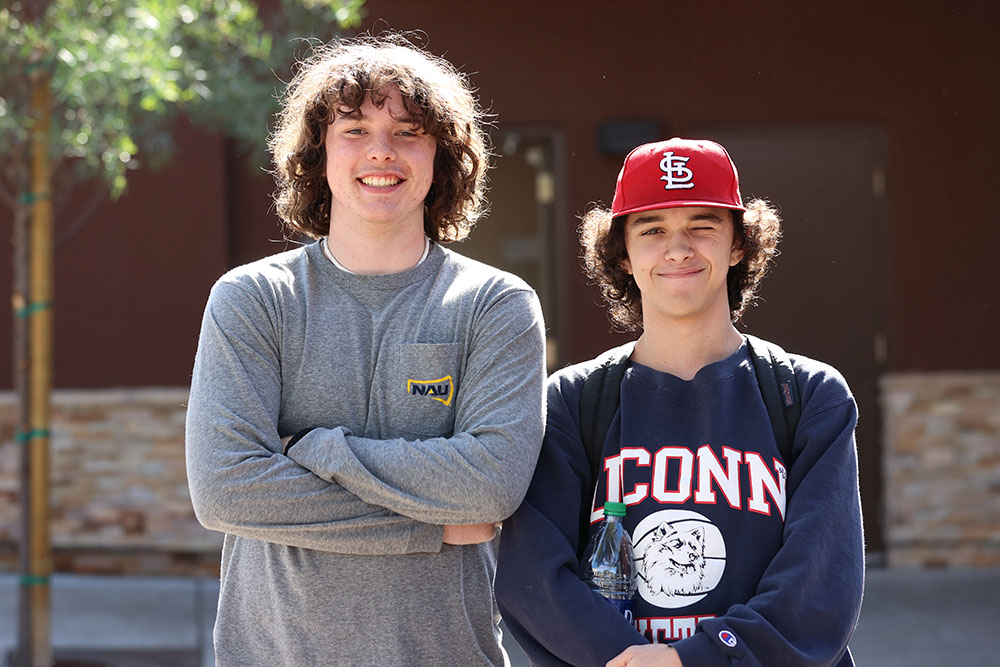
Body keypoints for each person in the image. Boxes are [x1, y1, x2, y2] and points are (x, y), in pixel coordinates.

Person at [185, 34, 546, 667]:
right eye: (354, 129)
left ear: (443, 158)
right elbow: (224, 489)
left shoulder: (495, 303)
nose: (382, 151)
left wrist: (318, 450)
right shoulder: (254, 299)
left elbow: (489, 486)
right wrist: (429, 528)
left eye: (409, 132)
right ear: (317, 154)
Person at [495, 138, 864, 666]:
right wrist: (628, 656)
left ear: (738, 243)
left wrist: (694, 659)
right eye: (652, 230)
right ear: (622, 253)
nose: (678, 248)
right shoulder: (573, 402)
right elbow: (532, 574)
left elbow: (821, 581)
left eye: (702, 225)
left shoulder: (806, 395)